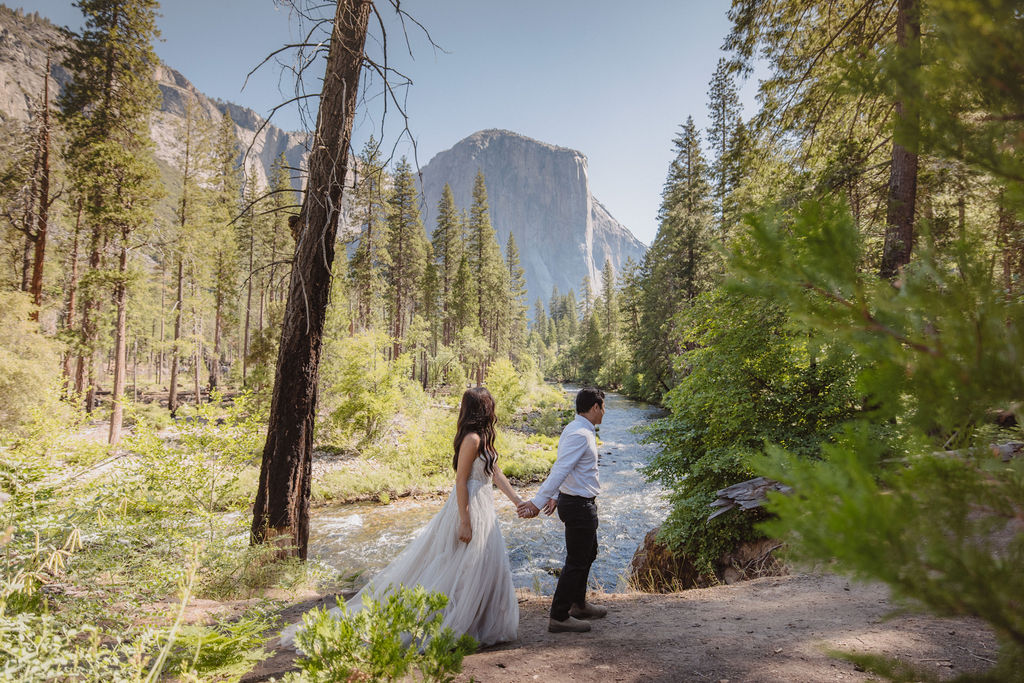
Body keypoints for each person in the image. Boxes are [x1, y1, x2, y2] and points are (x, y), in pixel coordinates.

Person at [281, 387, 521, 649]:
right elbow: (461, 481)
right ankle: (453, 622)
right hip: (469, 507)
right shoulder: (472, 439)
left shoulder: (484, 439)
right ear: (484, 409)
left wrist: (519, 501)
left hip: (484, 506)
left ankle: (479, 621)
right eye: (491, 404)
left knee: (483, 565)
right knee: (461, 566)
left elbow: (496, 474)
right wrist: (465, 520)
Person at [517, 387, 608, 633]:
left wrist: (556, 496)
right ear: (595, 407)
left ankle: (578, 604)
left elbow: (570, 468)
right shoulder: (581, 434)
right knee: (577, 560)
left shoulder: (574, 428)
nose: (604, 412)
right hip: (579, 505)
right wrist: (537, 502)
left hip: (575, 501)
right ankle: (559, 616)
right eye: (603, 407)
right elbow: (560, 468)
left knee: (588, 553)